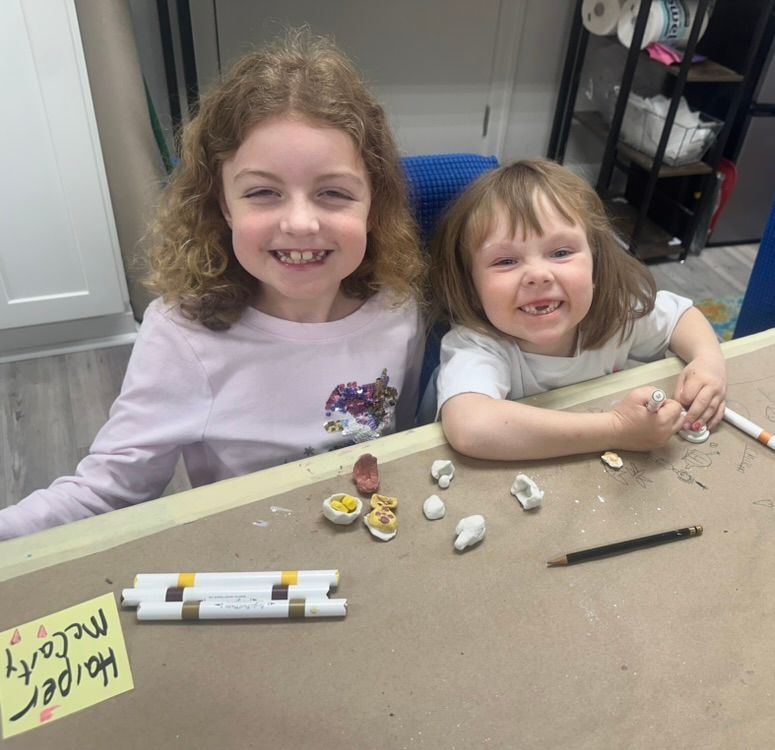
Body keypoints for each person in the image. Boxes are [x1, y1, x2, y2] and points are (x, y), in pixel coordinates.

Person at [0, 31, 425, 540]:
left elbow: (407, 438)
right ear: (224, 205)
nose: (300, 223)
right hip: (250, 558)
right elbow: (106, 491)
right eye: (263, 192)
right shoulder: (184, 336)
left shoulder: (397, 307)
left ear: (373, 204)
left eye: (332, 193)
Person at [430, 158, 726, 461]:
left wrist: (708, 361)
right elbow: (471, 427)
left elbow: (681, 317)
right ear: (471, 285)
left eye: (561, 253)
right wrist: (617, 429)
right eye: (506, 261)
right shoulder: (476, 343)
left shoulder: (615, 311)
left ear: (596, 264)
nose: (538, 275)